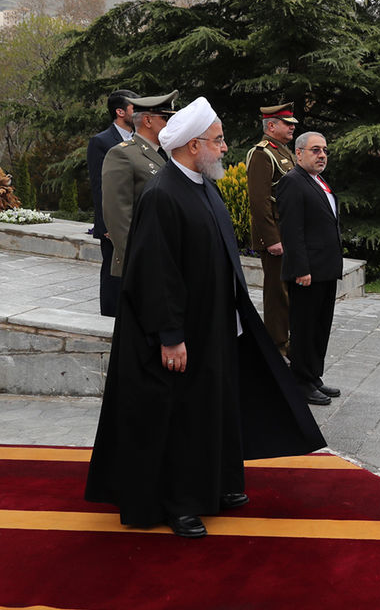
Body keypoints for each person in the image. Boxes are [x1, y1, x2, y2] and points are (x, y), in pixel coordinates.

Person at [85, 97, 325, 539]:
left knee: (212, 411)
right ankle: (180, 503)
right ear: (194, 146)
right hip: (181, 334)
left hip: (215, 326)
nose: (224, 148)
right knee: (181, 418)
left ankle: (217, 486)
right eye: (217, 141)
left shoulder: (203, 185)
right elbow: (158, 273)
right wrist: (171, 335)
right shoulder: (162, 194)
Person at [276, 131, 342, 406]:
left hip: (325, 269)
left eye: (324, 150)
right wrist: (301, 268)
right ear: (299, 153)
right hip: (308, 272)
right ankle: (301, 381)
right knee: (304, 328)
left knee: (319, 327)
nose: (322, 155)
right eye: (315, 150)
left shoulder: (318, 181)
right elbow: (292, 230)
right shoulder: (292, 182)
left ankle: (313, 376)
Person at [100, 91, 178, 278]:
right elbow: (117, 215)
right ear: (147, 121)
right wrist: (135, 260)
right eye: (165, 118)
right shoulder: (123, 154)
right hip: (143, 259)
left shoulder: (167, 153)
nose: (170, 124)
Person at [246, 103, 298, 356]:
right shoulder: (262, 154)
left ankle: (287, 340)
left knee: (287, 290)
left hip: (287, 231)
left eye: (292, 124)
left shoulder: (283, 152)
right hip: (275, 234)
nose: (292, 127)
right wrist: (271, 238)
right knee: (277, 293)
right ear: (271, 126)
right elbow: (258, 200)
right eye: (287, 124)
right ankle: (277, 345)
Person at [87, 89, 138, 316]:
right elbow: (99, 186)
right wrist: (106, 225)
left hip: (135, 218)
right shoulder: (101, 141)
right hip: (113, 222)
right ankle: (110, 316)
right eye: (134, 107)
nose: (138, 112)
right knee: (112, 270)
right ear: (120, 112)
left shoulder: (141, 140)